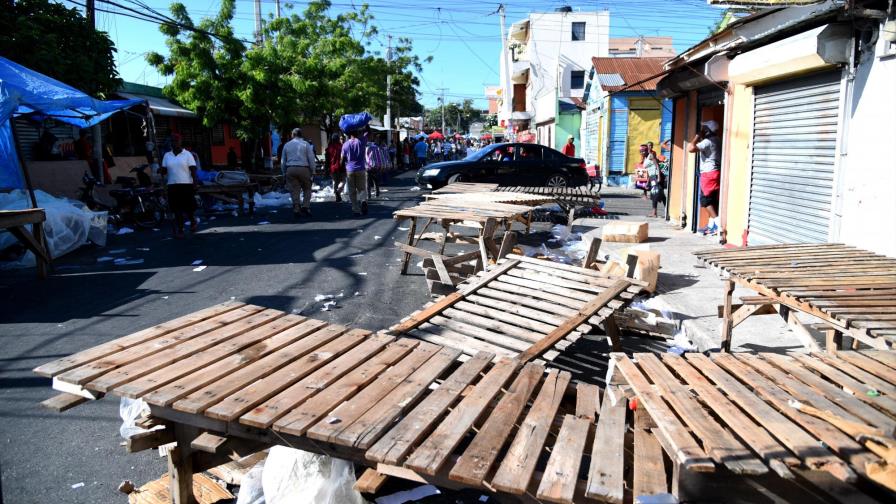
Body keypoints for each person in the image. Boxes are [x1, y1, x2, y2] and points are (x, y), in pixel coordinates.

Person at [160, 133, 198, 238]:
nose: (174, 143)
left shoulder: (188, 155)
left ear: (180, 142)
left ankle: (193, 221)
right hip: (172, 185)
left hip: (186, 185)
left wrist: (195, 183)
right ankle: (180, 229)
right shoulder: (167, 155)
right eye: (172, 141)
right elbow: (164, 171)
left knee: (188, 208)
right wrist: (161, 170)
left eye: (176, 141)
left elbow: (193, 170)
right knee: (177, 209)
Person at [688, 120, 722, 235]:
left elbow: (690, 148)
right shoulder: (717, 139)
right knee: (712, 201)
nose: (703, 129)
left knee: (706, 201)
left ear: (708, 129)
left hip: (708, 173)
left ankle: (719, 225)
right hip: (715, 172)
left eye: (704, 127)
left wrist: (697, 136)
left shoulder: (707, 141)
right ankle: (711, 226)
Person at [281, 127, 316, 218]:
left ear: (293, 135)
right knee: (307, 188)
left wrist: (284, 172)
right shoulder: (306, 144)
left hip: (290, 169)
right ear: (301, 135)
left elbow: (283, 161)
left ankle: (296, 208)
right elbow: (311, 158)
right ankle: (305, 206)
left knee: (294, 190)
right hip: (304, 169)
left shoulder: (287, 145)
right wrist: (313, 170)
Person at [342, 126, 369, 216]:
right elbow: (369, 132)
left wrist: (344, 168)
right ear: (357, 133)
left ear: (349, 134)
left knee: (352, 191)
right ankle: (363, 201)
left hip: (350, 169)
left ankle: (356, 209)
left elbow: (342, 159)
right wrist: (366, 125)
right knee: (362, 188)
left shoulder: (345, 145)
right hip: (361, 168)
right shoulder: (362, 142)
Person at [644, 149, 665, 218]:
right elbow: (649, 170)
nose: (642, 152)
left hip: (656, 176)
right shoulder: (646, 158)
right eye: (641, 151)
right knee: (657, 194)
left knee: (656, 194)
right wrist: (648, 181)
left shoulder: (651, 156)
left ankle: (655, 213)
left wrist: (658, 177)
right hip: (652, 177)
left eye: (643, 150)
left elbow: (657, 166)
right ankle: (655, 213)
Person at [325, 134, 345, 202]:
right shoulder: (341, 147)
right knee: (343, 181)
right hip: (341, 167)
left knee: (335, 181)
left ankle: (337, 196)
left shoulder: (328, 148)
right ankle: (338, 191)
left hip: (332, 168)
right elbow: (344, 157)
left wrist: (326, 169)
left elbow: (327, 160)